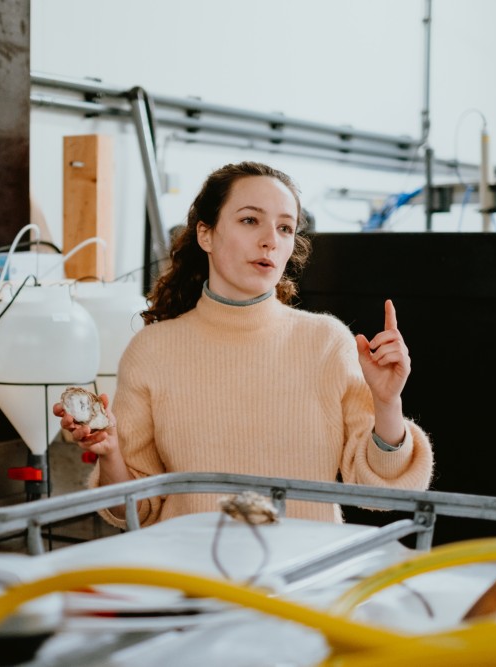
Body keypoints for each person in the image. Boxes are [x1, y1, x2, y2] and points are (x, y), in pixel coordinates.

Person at [55, 161, 434, 526]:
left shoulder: (326, 342)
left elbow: (383, 491)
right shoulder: (152, 350)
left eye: (285, 228)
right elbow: (135, 511)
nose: (270, 240)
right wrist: (110, 455)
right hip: (192, 578)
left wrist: (387, 404)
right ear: (206, 234)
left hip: (302, 578)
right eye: (250, 220)